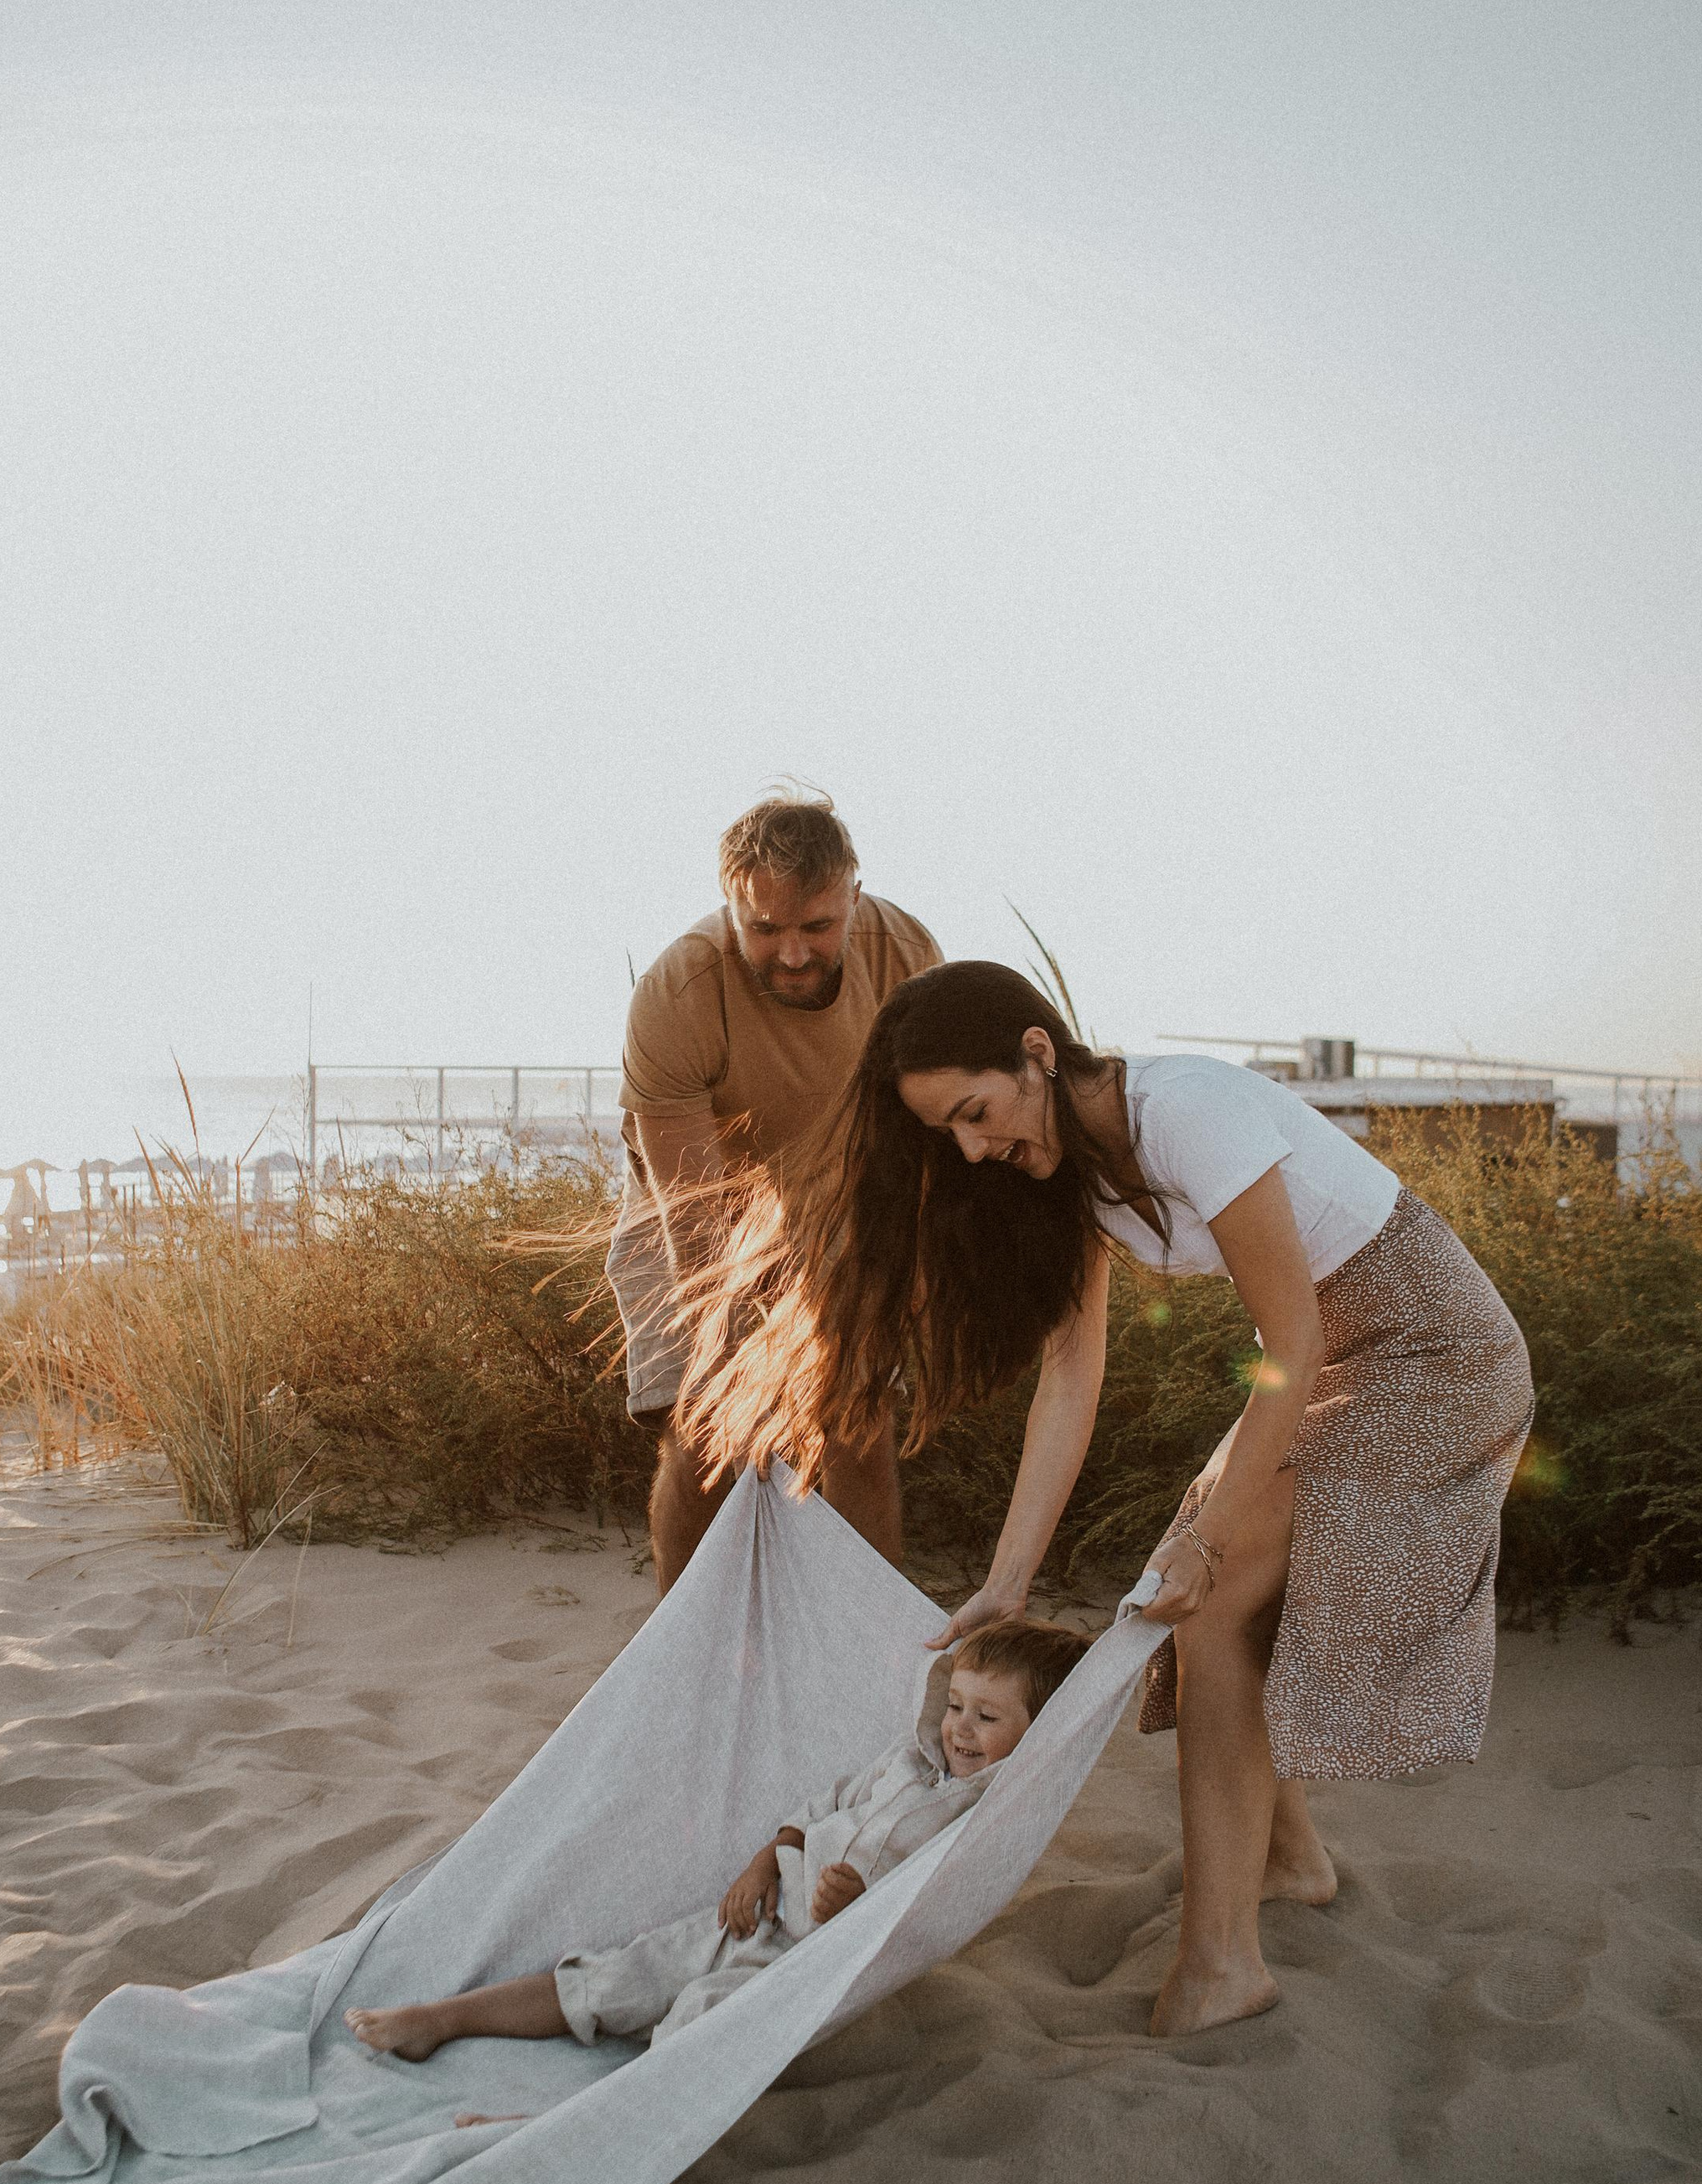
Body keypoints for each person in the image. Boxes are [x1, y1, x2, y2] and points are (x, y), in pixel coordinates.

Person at [677, 961, 1534, 2041]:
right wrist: (1008, 1579)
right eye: (952, 1134)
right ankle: (1288, 1857)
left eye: (977, 1113)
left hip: (1433, 1352)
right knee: (1195, 1572)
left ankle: (1222, 1966)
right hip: (1333, 1359)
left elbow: (1297, 1337)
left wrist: (1216, 1540)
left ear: (1039, 1052)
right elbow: (1070, 1379)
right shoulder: (1067, 1176)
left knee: (1211, 1597)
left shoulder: (1186, 1111)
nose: (976, 1149)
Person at [345, 1616, 1089, 2066]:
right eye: (956, 1704)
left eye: (988, 1719)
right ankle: (443, 2019)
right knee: (618, 1974)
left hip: (801, 1960)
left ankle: (549, 2128)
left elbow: (925, 1912)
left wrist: (859, 1898)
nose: (960, 1728)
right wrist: (763, 1861)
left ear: (1035, 1735)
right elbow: (818, 1806)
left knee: (695, 2026)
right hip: (755, 1913)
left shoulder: (980, 1821)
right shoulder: (905, 1760)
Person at [608, 792, 940, 1588]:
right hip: (700, 1199)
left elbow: (927, 1133)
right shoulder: (678, 990)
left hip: (842, 1191)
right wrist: (751, 1341)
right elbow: (694, 1216)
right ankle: (686, 1637)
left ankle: (868, 1639)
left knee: (858, 1413)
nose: (792, 953)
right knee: (711, 1422)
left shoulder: (906, 956)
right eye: (764, 930)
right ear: (731, 910)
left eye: (817, 927)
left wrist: (883, 1281)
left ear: (853, 898)